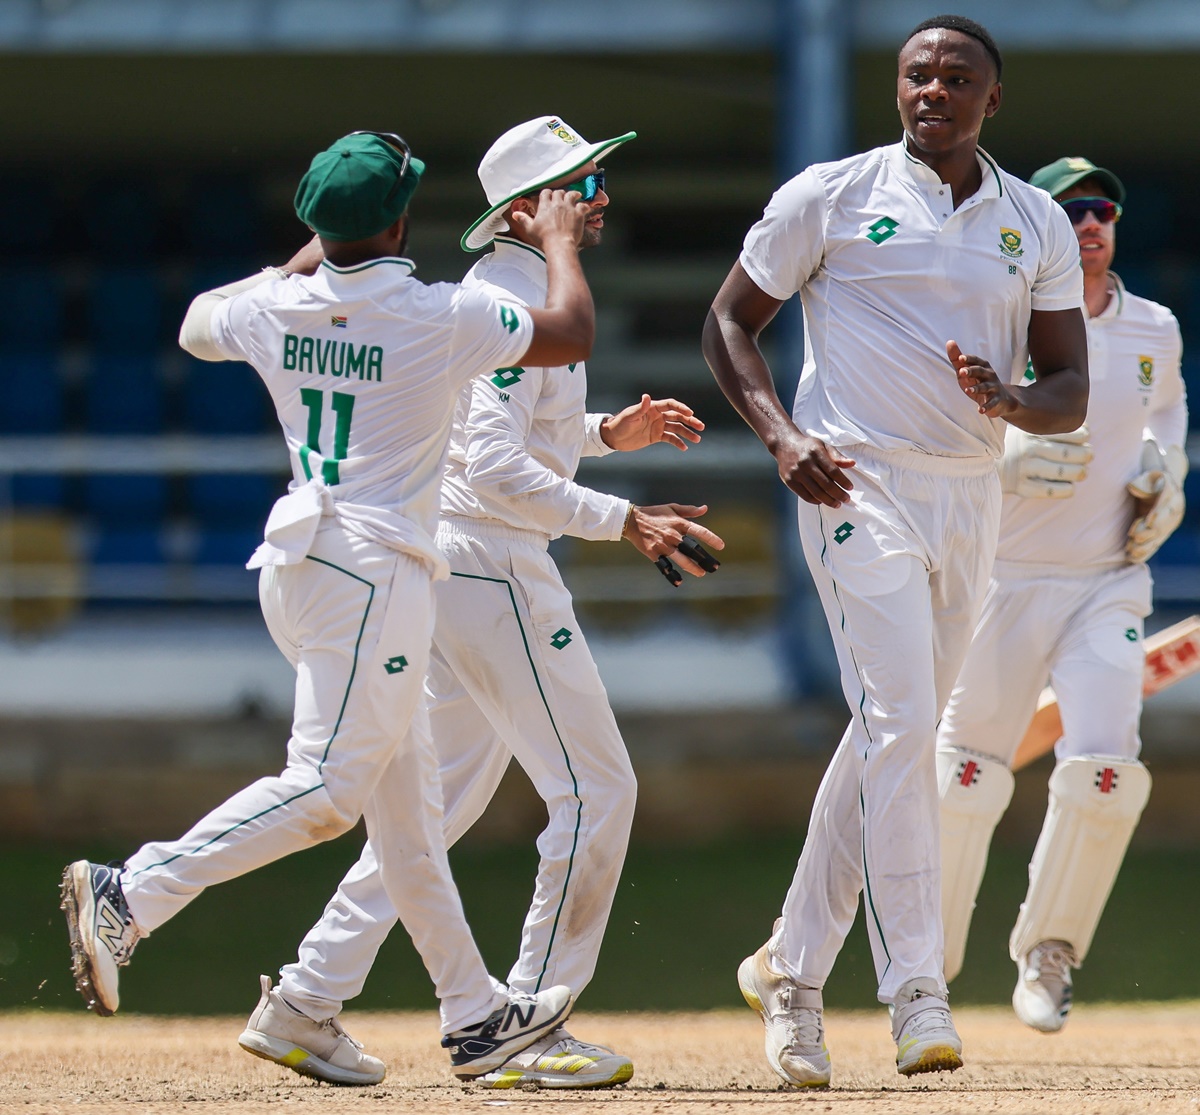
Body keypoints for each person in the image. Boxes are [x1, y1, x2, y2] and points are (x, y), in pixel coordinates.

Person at [59, 130, 600, 1080]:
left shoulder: (274, 303)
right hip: (377, 573)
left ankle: (471, 1017)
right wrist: (557, 238)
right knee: (327, 792)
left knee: (409, 818)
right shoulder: (442, 312)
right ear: (401, 219)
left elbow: (195, 322)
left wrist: (305, 254)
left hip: (298, 559)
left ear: (316, 226)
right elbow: (571, 332)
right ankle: (132, 889)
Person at [237, 115, 725, 1090]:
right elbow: (496, 470)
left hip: (458, 567)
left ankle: (306, 993)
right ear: (528, 207)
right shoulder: (508, 293)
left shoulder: (516, 291)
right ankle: (527, 1025)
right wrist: (619, 517)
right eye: (581, 183)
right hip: (489, 564)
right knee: (597, 789)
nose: (599, 197)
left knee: (436, 805)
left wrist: (603, 431)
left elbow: (509, 440)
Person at [701, 15, 1090, 1087]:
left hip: (971, 495)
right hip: (853, 479)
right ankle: (917, 987)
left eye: (956, 77)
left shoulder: (1036, 221)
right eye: (918, 73)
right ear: (898, 88)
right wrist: (785, 438)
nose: (934, 90)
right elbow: (731, 322)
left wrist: (1012, 399)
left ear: (991, 99)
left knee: (889, 728)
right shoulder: (829, 194)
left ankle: (791, 967)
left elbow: (1069, 387)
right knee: (907, 723)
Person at [936, 157, 1187, 1032]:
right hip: (1000, 579)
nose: (1090, 222)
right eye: (1071, 209)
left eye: (1104, 210)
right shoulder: (1002, 319)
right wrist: (999, 460)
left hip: (1107, 582)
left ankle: (1051, 952)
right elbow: (932, 433)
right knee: (963, 776)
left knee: (1109, 770)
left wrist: (1172, 472)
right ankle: (925, 972)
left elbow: (1165, 422)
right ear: (1039, 223)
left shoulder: (1154, 327)